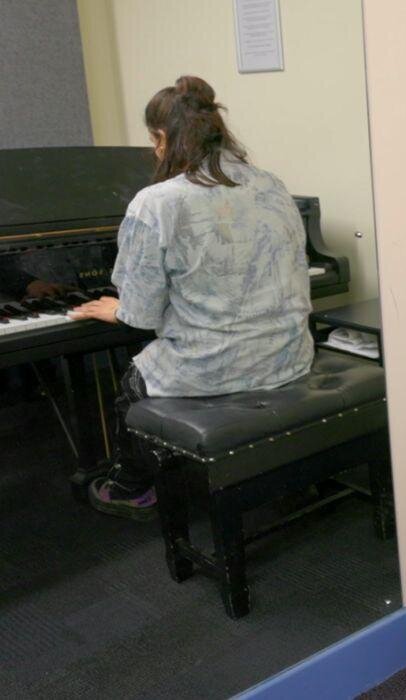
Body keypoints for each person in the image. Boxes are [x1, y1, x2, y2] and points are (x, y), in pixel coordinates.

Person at [69, 76, 313, 521]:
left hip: (214, 368)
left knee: (132, 385)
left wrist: (117, 309)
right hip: (287, 355)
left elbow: (140, 315)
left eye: (153, 140)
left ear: (163, 138)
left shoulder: (157, 202)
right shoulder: (270, 184)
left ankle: (129, 489)